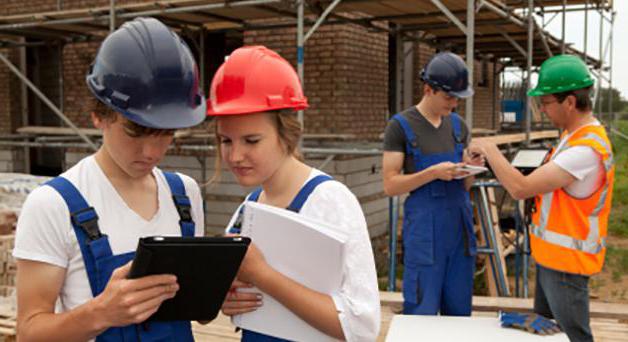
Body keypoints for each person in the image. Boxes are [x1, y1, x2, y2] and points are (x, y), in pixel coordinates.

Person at [13, 17, 206, 341]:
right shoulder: (53, 204)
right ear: (99, 114)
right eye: (135, 131)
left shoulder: (184, 196)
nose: (151, 151)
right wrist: (101, 312)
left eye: (166, 134)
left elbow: (191, 309)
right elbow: (29, 332)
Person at [207, 45, 380, 341]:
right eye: (226, 141)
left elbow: (362, 327)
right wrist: (227, 299)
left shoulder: (331, 203)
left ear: (287, 134)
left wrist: (263, 276)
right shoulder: (246, 212)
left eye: (251, 140)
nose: (235, 156)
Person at [468, 54, 614, 342]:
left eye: (546, 102)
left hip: (567, 265)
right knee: (547, 333)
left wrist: (490, 148)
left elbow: (521, 188)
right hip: (552, 258)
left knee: (572, 337)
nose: (542, 110)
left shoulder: (585, 149)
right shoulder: (572, 138)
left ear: (570, 102)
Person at [382, 52, 484, 316]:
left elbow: (465, 186)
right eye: (449, 97)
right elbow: (390, 185)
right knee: (421, 313)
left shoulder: (459, 127)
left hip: (458, 232)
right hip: (425, 236)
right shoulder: (400, 126)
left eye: (458, 98)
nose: (454, 104)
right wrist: (432, 173)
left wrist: (471, 166)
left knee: (459, 313)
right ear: (428, 89)